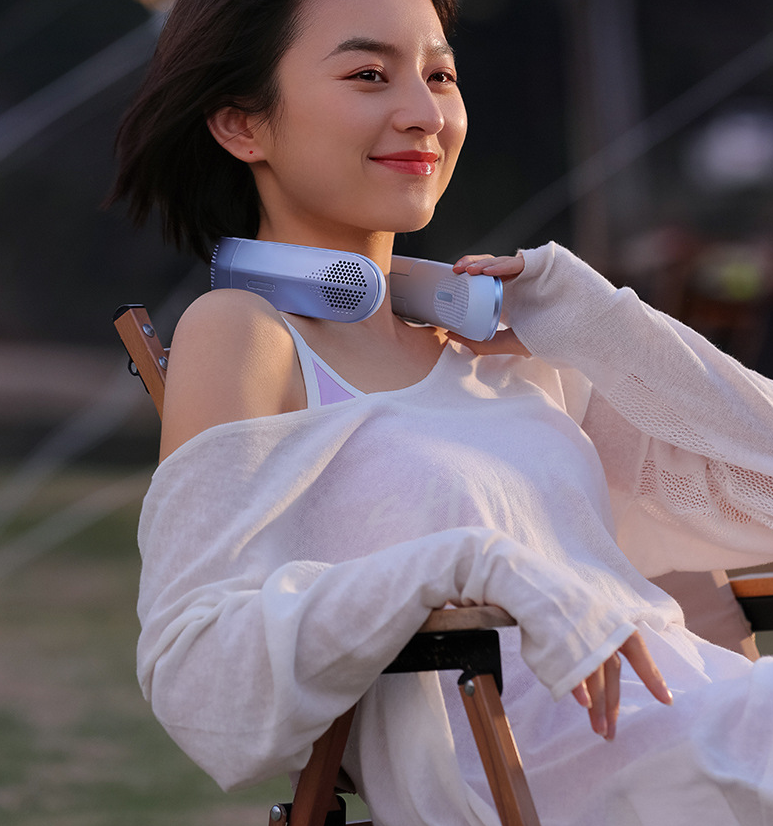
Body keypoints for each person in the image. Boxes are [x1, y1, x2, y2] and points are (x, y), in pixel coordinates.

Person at [108, 0, 773, 823]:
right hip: (565, 775)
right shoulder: (246, 335)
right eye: (368, 74)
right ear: (242, 125)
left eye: (440, 75)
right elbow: (198, 672)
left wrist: (593, 321)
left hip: (706, 731)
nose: (424, 113)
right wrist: (467, 562)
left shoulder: (509, 354)